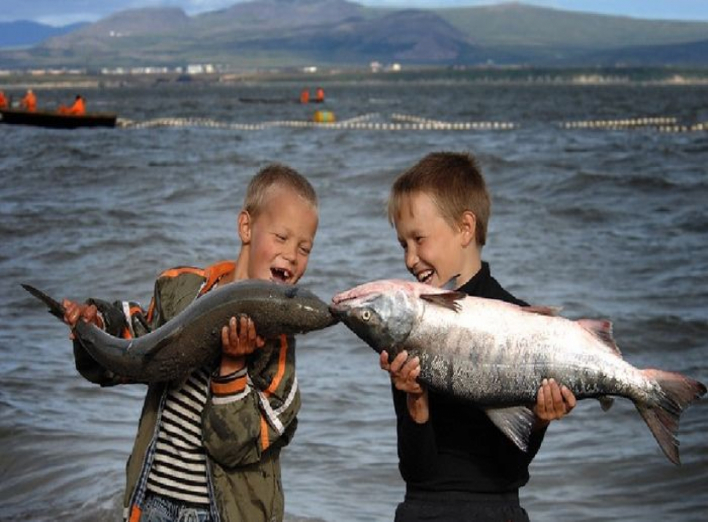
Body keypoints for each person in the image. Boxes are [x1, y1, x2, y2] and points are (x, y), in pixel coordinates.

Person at [61, 164, 320, 522]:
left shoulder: (278, 350)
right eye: (281, 237)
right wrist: (96, 324)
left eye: (304, 248)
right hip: (151, 500)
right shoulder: (182, 290)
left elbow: (232, 448)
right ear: (246, 227)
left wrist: (232, 368)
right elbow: (132, 347)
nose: (292, 254)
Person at [380, 151, 577, 522]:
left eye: (419, 239)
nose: (409, 258)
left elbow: (509, 472)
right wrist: (416, 404)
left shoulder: (521, 321)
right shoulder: (410, 326)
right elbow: (417, 471)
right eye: (403, 245)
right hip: (424, 509)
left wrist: (538, 421)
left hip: (498, 508)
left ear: (465, 228)